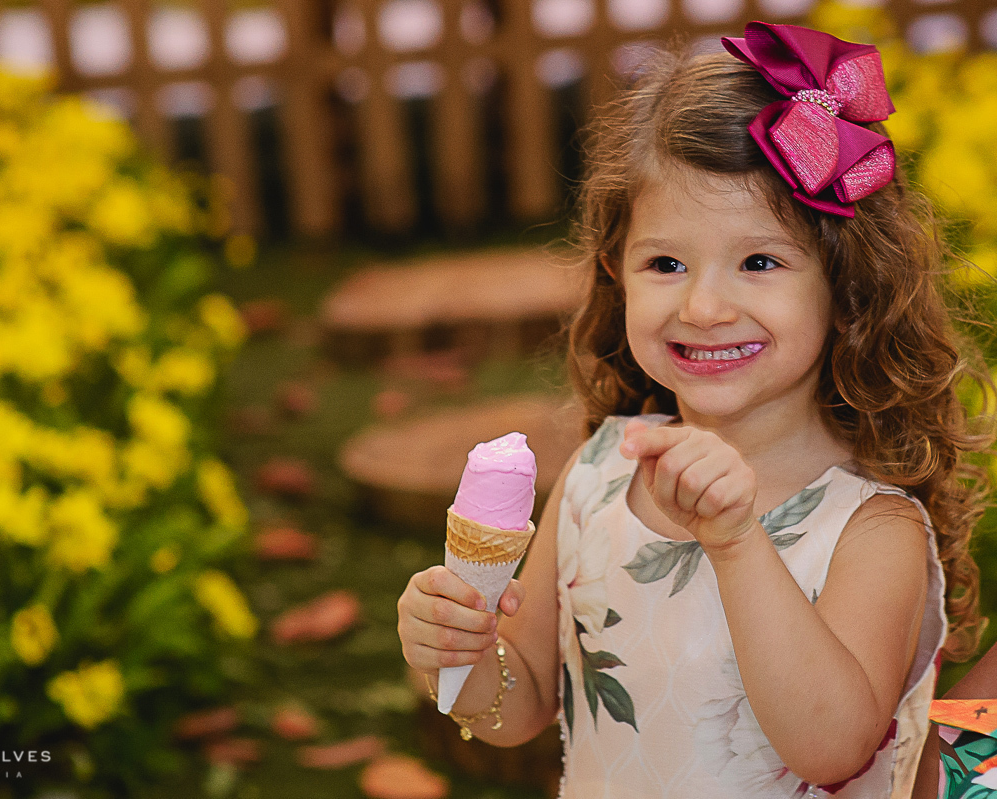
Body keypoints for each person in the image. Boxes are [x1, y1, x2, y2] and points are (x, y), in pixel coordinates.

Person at [396, 21, 995, 799]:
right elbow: (521, 702)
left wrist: (739, 540)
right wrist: (457, 652)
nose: (705, 306)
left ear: (846, 287)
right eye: (666, 262)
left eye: (759, 261)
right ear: (617, 273)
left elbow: (831, 746)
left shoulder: (869, 529)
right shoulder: (600, 473)